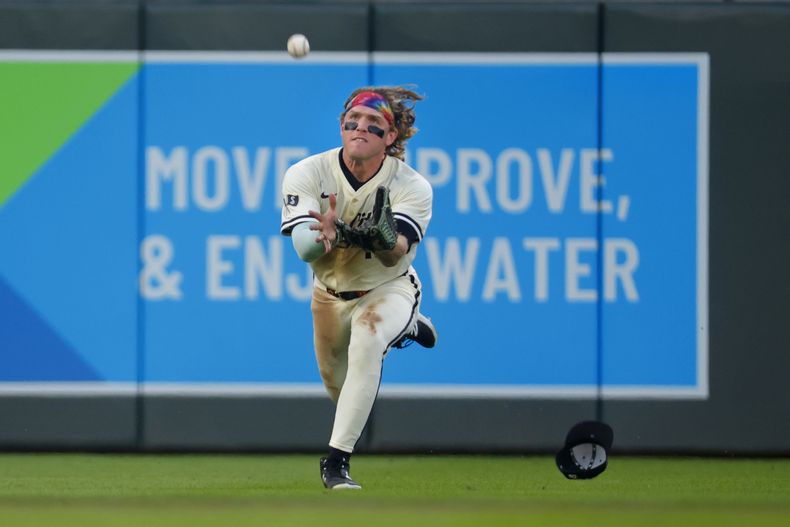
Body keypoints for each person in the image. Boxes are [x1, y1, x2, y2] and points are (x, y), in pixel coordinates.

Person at [279, 86, 437, 490]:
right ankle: (411, 328)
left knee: (368, 337)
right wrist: (327, 234)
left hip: (388, 287)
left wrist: (375, 237)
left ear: (391, 138)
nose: (360, 129)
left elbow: (393, 253)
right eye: (352, 121)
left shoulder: (411, 186)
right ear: (341, 127)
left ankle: (335, 464)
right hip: (329, 295)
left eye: (374, 124)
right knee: (340, 386)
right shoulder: (308, 172)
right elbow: (303, 249)